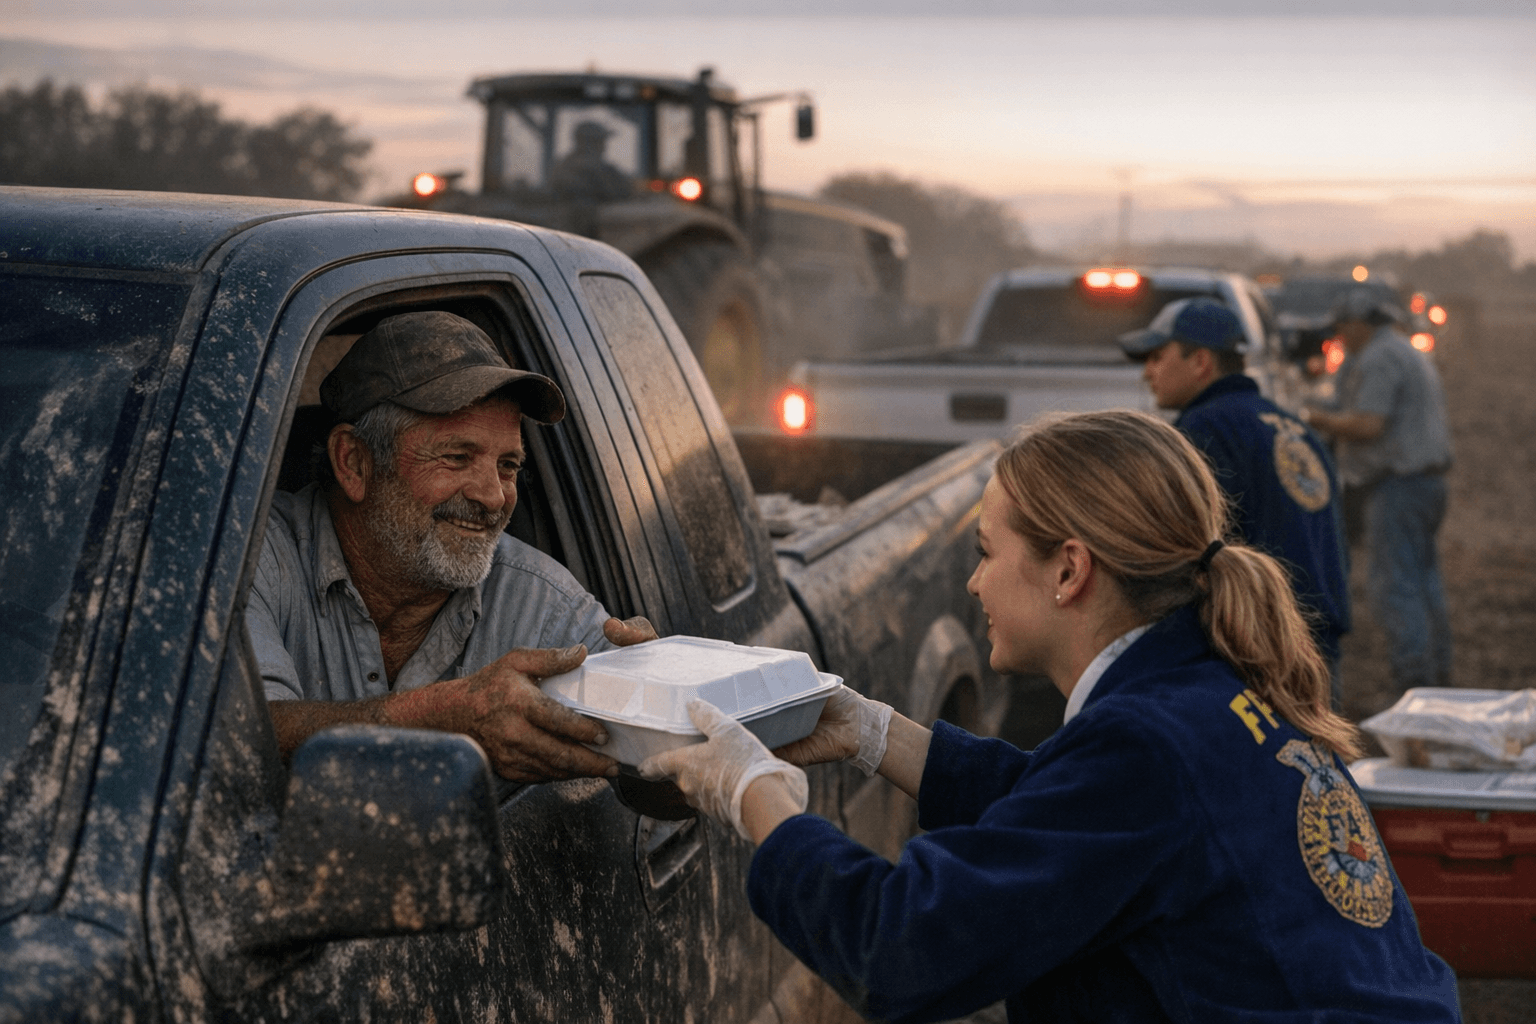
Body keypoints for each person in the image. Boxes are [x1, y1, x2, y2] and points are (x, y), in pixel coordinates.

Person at [640, 410, 1460, 1023]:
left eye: (986, 554)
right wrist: (870, 731)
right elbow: (1071, 815)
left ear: (1069, 570)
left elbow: (900, 949)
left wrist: (757, 795)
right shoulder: (1211, 699)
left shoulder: (1146, 747)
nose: (974, 585)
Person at [248, 310, 656, 782]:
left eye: (508, 465)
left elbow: (648, 781)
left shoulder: (543, 603)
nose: (494, 496)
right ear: (354, 462)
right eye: (457, 457)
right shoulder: (253, 561)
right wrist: (436, 717)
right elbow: (233, 736)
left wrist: (663, 718)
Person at [1120, 296, 1350, 694]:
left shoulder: (1201, 430)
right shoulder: (1293, 428)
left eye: (1157, 356)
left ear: (1201, 363)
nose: (1147, 372)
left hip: (1254, 656)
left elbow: (1187, 551)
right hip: (1316, 649)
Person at [1304, 287, 1454, 695]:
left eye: (1342, 327)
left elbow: (1370, 424)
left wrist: (1312, 418)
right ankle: (1437, 672)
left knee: (1395, 584)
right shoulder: (1402, 349)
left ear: (1358, 324)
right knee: (1423, 579)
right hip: (1427, 481)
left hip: (1398, 484)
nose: (1339, 335)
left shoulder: (1379, 357)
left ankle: (1414, 684)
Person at [549, 120, 633, 201]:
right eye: (601, 141)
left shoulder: (562, 165)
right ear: (591, 143)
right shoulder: (593, 169)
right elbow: (624, 191)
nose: (604, 147)